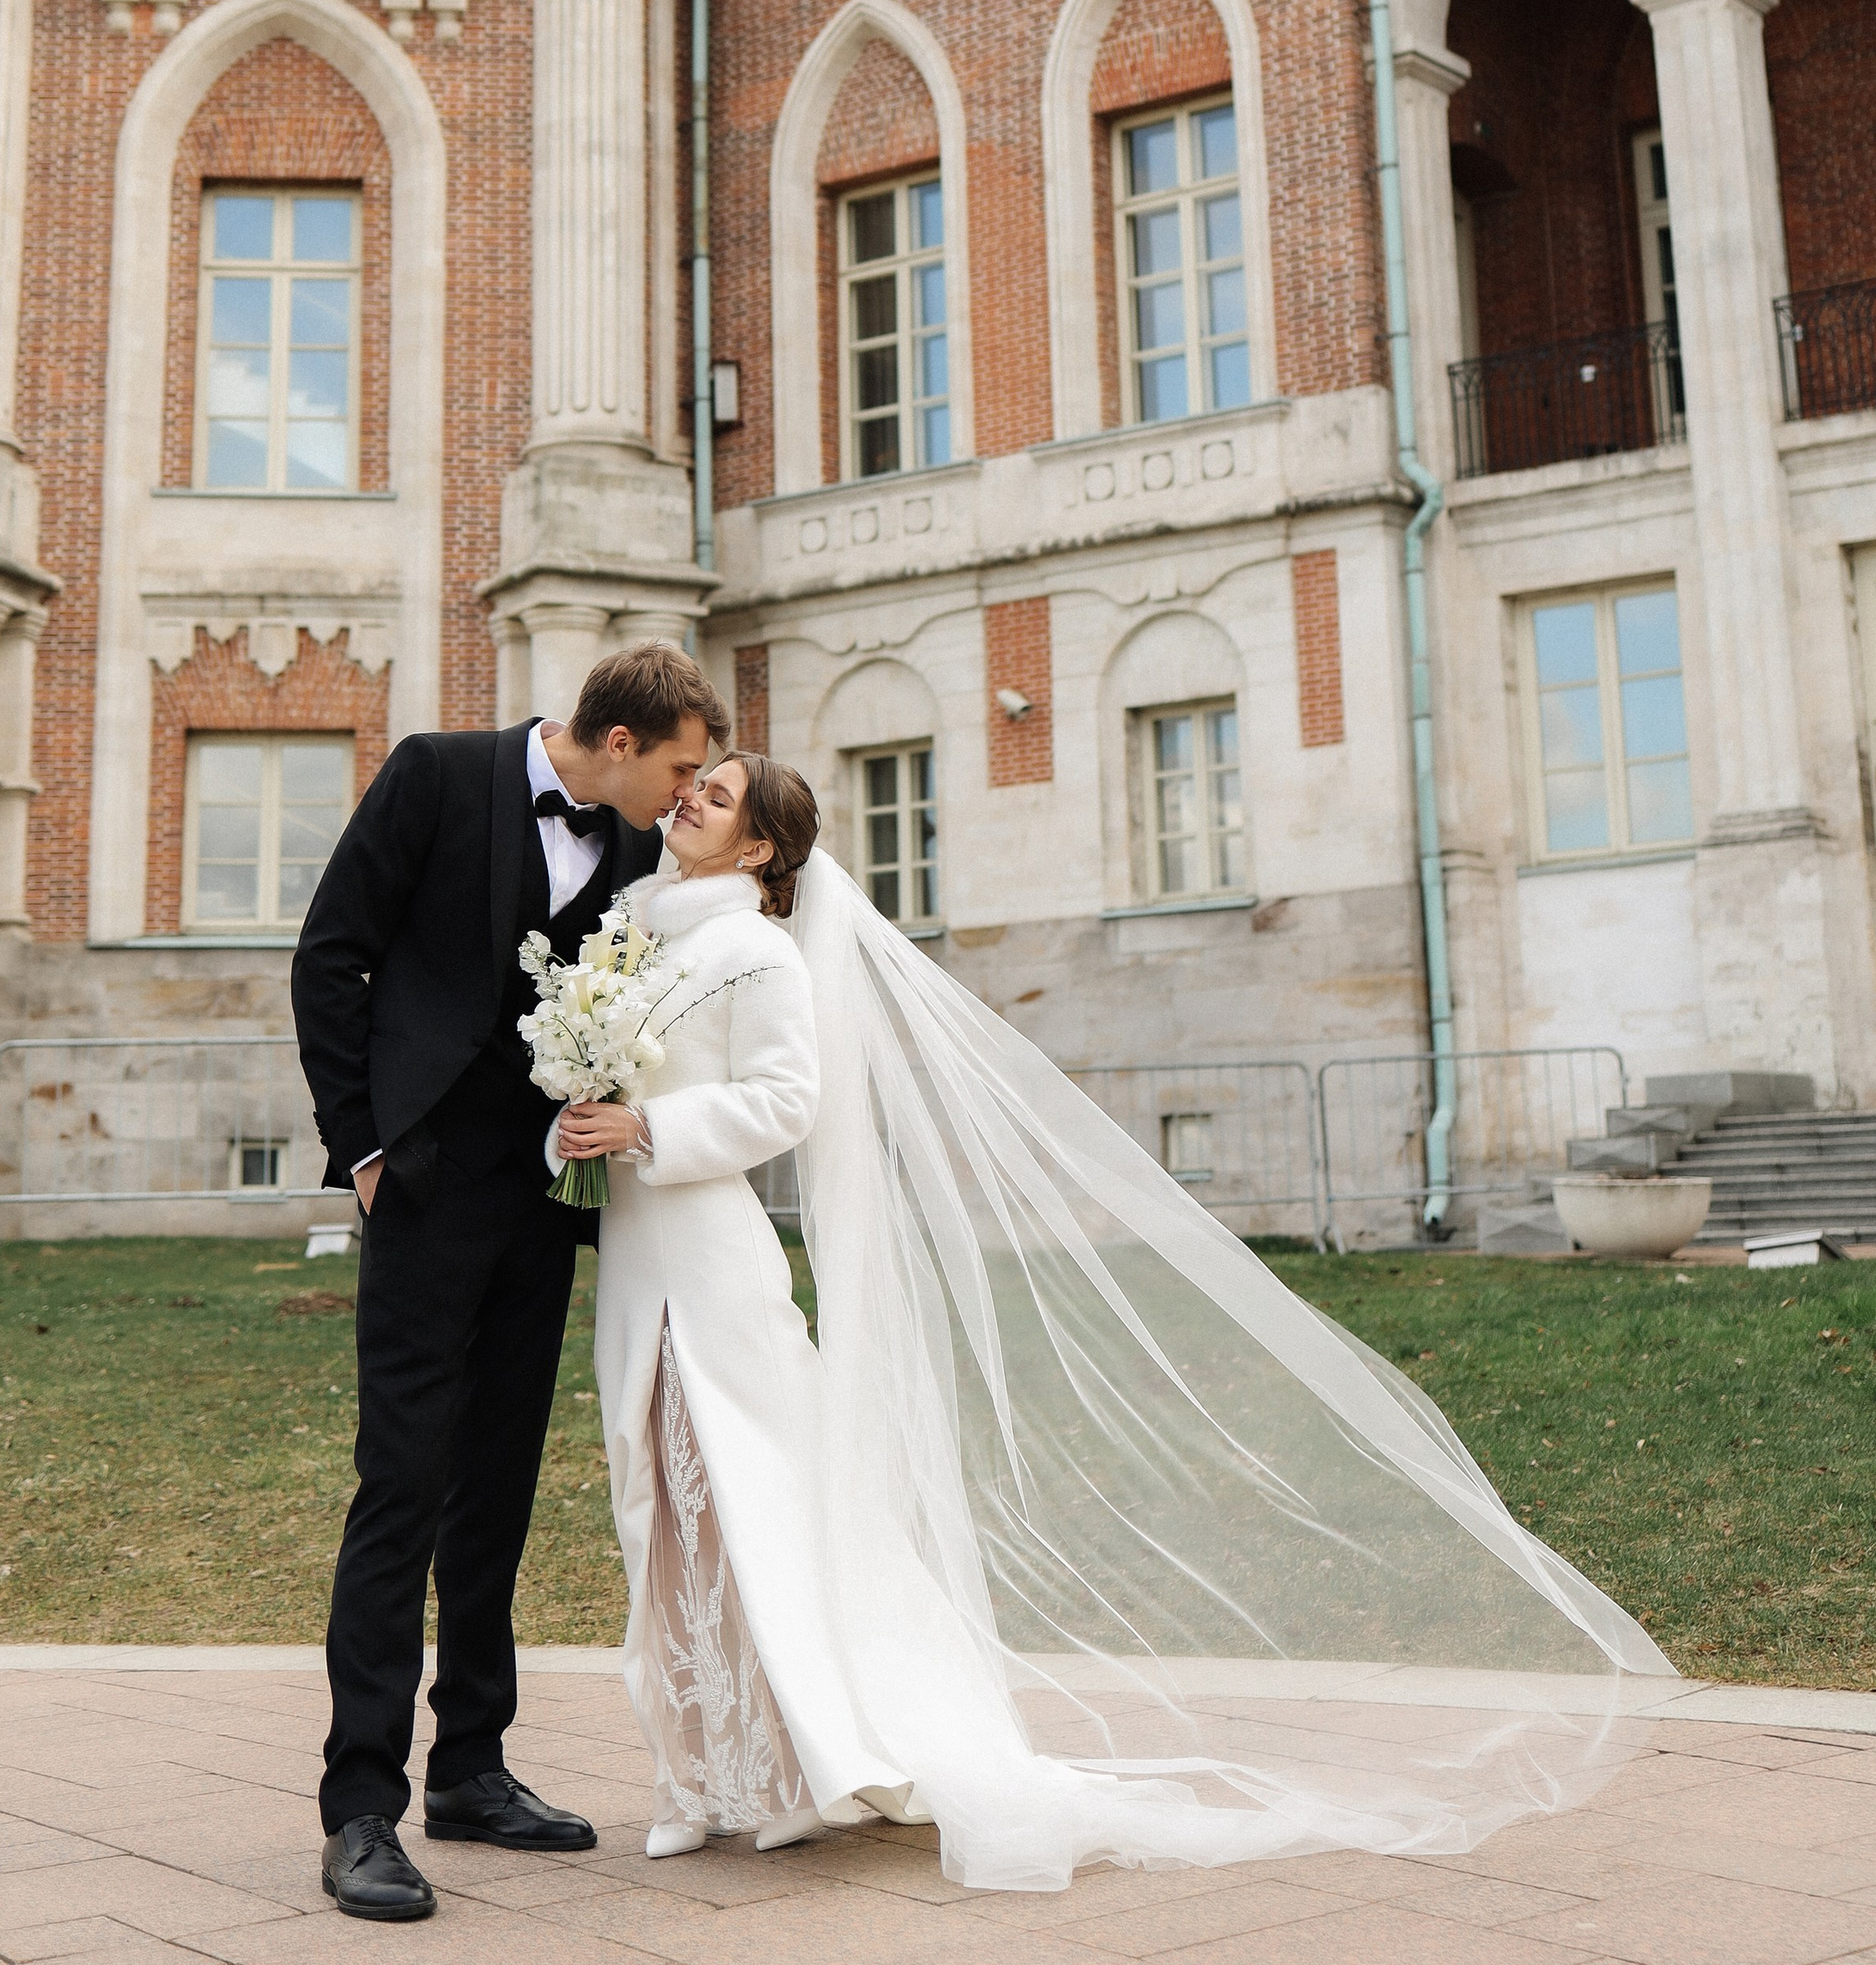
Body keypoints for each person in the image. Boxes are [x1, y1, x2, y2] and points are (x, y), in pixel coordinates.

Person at [557, 754, 1675, 1897]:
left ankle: (804, 1765)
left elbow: (789, 1101)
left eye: (720, 793)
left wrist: (647, 1128)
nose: (690, 793)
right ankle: (694, 1772)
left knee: (746, 1503)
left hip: (718, 1270)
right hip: (640, 1265)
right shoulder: (632, 935)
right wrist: (574, 1118)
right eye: (694, 783)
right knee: (660, 1514)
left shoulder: (757, 950)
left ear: (755, 849)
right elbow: (599, 1078)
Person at [290, 640, 730, 1922]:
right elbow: (333, 954)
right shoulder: (436, 775)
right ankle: (360, 1805)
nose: (689, 792)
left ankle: (470, 1764)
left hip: (546, 1203)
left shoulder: (643, 851)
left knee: (499, 1489)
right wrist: (362, 1148)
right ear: (618, 743)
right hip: (421, 1192)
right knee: (403, 1485)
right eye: (683, 767)